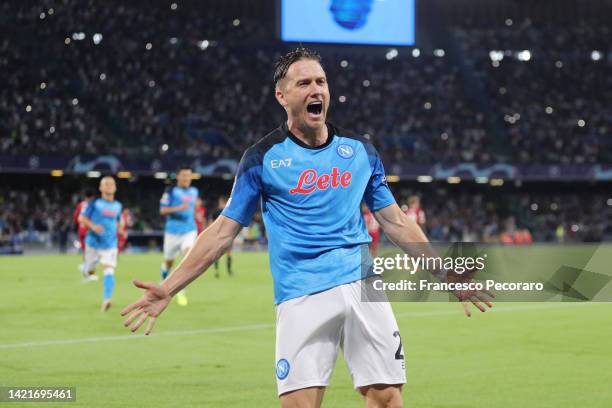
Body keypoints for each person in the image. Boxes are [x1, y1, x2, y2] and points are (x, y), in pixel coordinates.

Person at [121, 48, 493, 408]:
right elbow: (222, 231)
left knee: (387, 398)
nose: (316, 89)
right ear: (281, 96)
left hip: (364, 285)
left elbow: (395, 220)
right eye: (304, 84)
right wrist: (169, 287)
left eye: (321, 81)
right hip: (302, 293)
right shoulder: (262, 158)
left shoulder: (360, 151)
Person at [78, 176, 122, 311]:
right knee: (90, 270)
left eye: (111, 184)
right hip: (93, 244)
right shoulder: (94, 204)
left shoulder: (118, 206)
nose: (109, 186)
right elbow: (82, 218)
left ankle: (107, 299)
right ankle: (85, 269)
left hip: (110, 245)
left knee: (109, 269)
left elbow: (118, 221)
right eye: (106, 184)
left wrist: (120, 228)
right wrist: (93, 226)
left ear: (115, 188)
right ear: (101, 188)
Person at [158, 165, 199, 306]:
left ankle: (181, 291)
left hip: (189, 230)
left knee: (187, 257)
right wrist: (178, 208)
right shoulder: (170, 191)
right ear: (178, 177)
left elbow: (192, 209)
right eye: (184, 175)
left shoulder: (194, 191)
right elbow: (163, 210)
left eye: (189, 176)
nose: (187, 178)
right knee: (168, 262)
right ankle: (163, 285)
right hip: (172, 232)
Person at [73, 189, 95, 275]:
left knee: (85, 250)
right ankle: (88, 271)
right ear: (92, 197)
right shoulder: (92, 205)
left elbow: (75, 217)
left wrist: (79, 225)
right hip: (89, 230)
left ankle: (85, 266)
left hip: (81, 230)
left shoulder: (80, 205)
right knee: (92, 251)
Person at [211, 196, 233, 278]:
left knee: (227, 254)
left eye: (221, 203)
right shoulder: (219, 212)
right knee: (219, 255)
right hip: (221, 236)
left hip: (224, 236)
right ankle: (218, 272)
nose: (220, 204)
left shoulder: (226, 212)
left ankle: (228, 271)